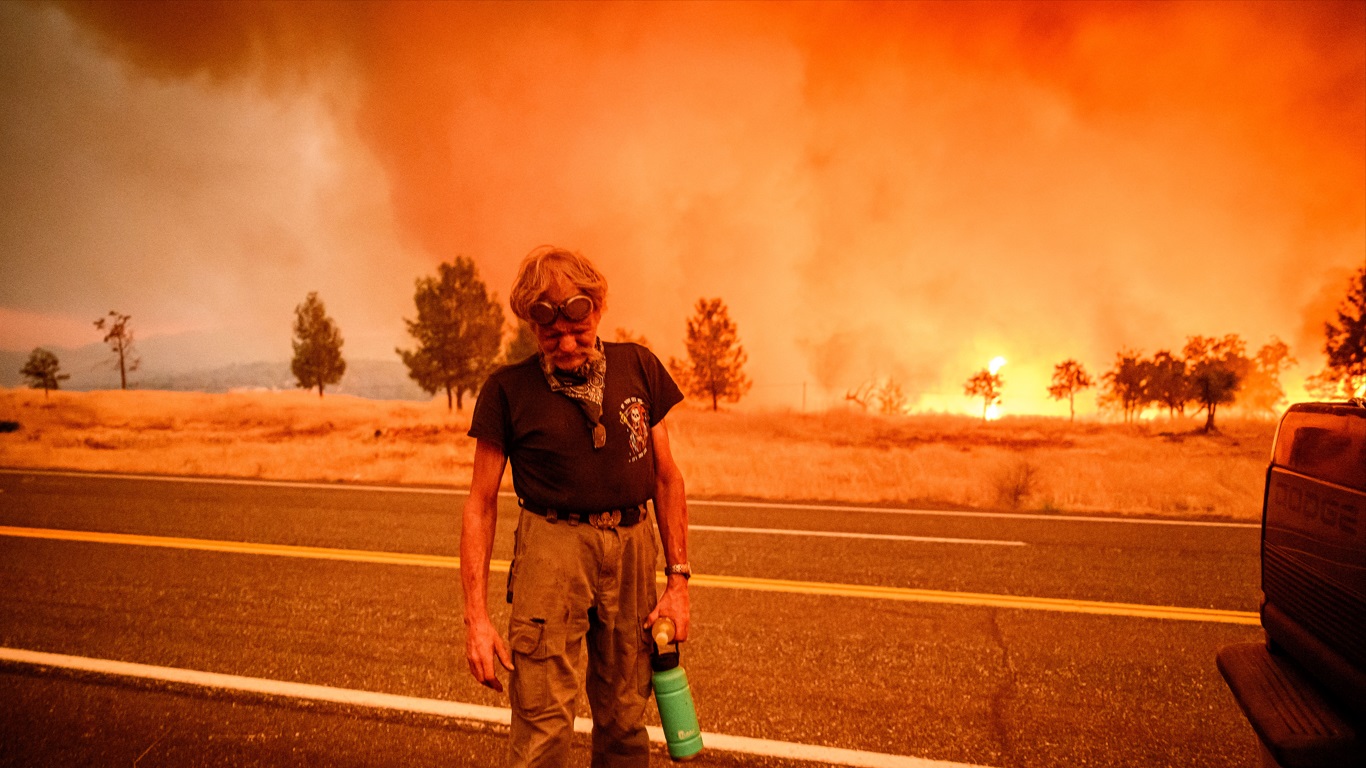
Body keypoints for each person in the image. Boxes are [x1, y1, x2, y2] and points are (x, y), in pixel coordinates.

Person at [461, 246, 692, 767]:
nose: (565, 343)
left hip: (633, 547)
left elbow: (667, 476)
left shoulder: (640, 367)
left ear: (599, 308)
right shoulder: (506, 390)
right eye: (550, 333)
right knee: (544, 726)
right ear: (530, 325)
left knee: (626, 717)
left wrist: (678, 583)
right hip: (551, 548)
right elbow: (480, 504)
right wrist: (477, 619)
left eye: (577, 329)